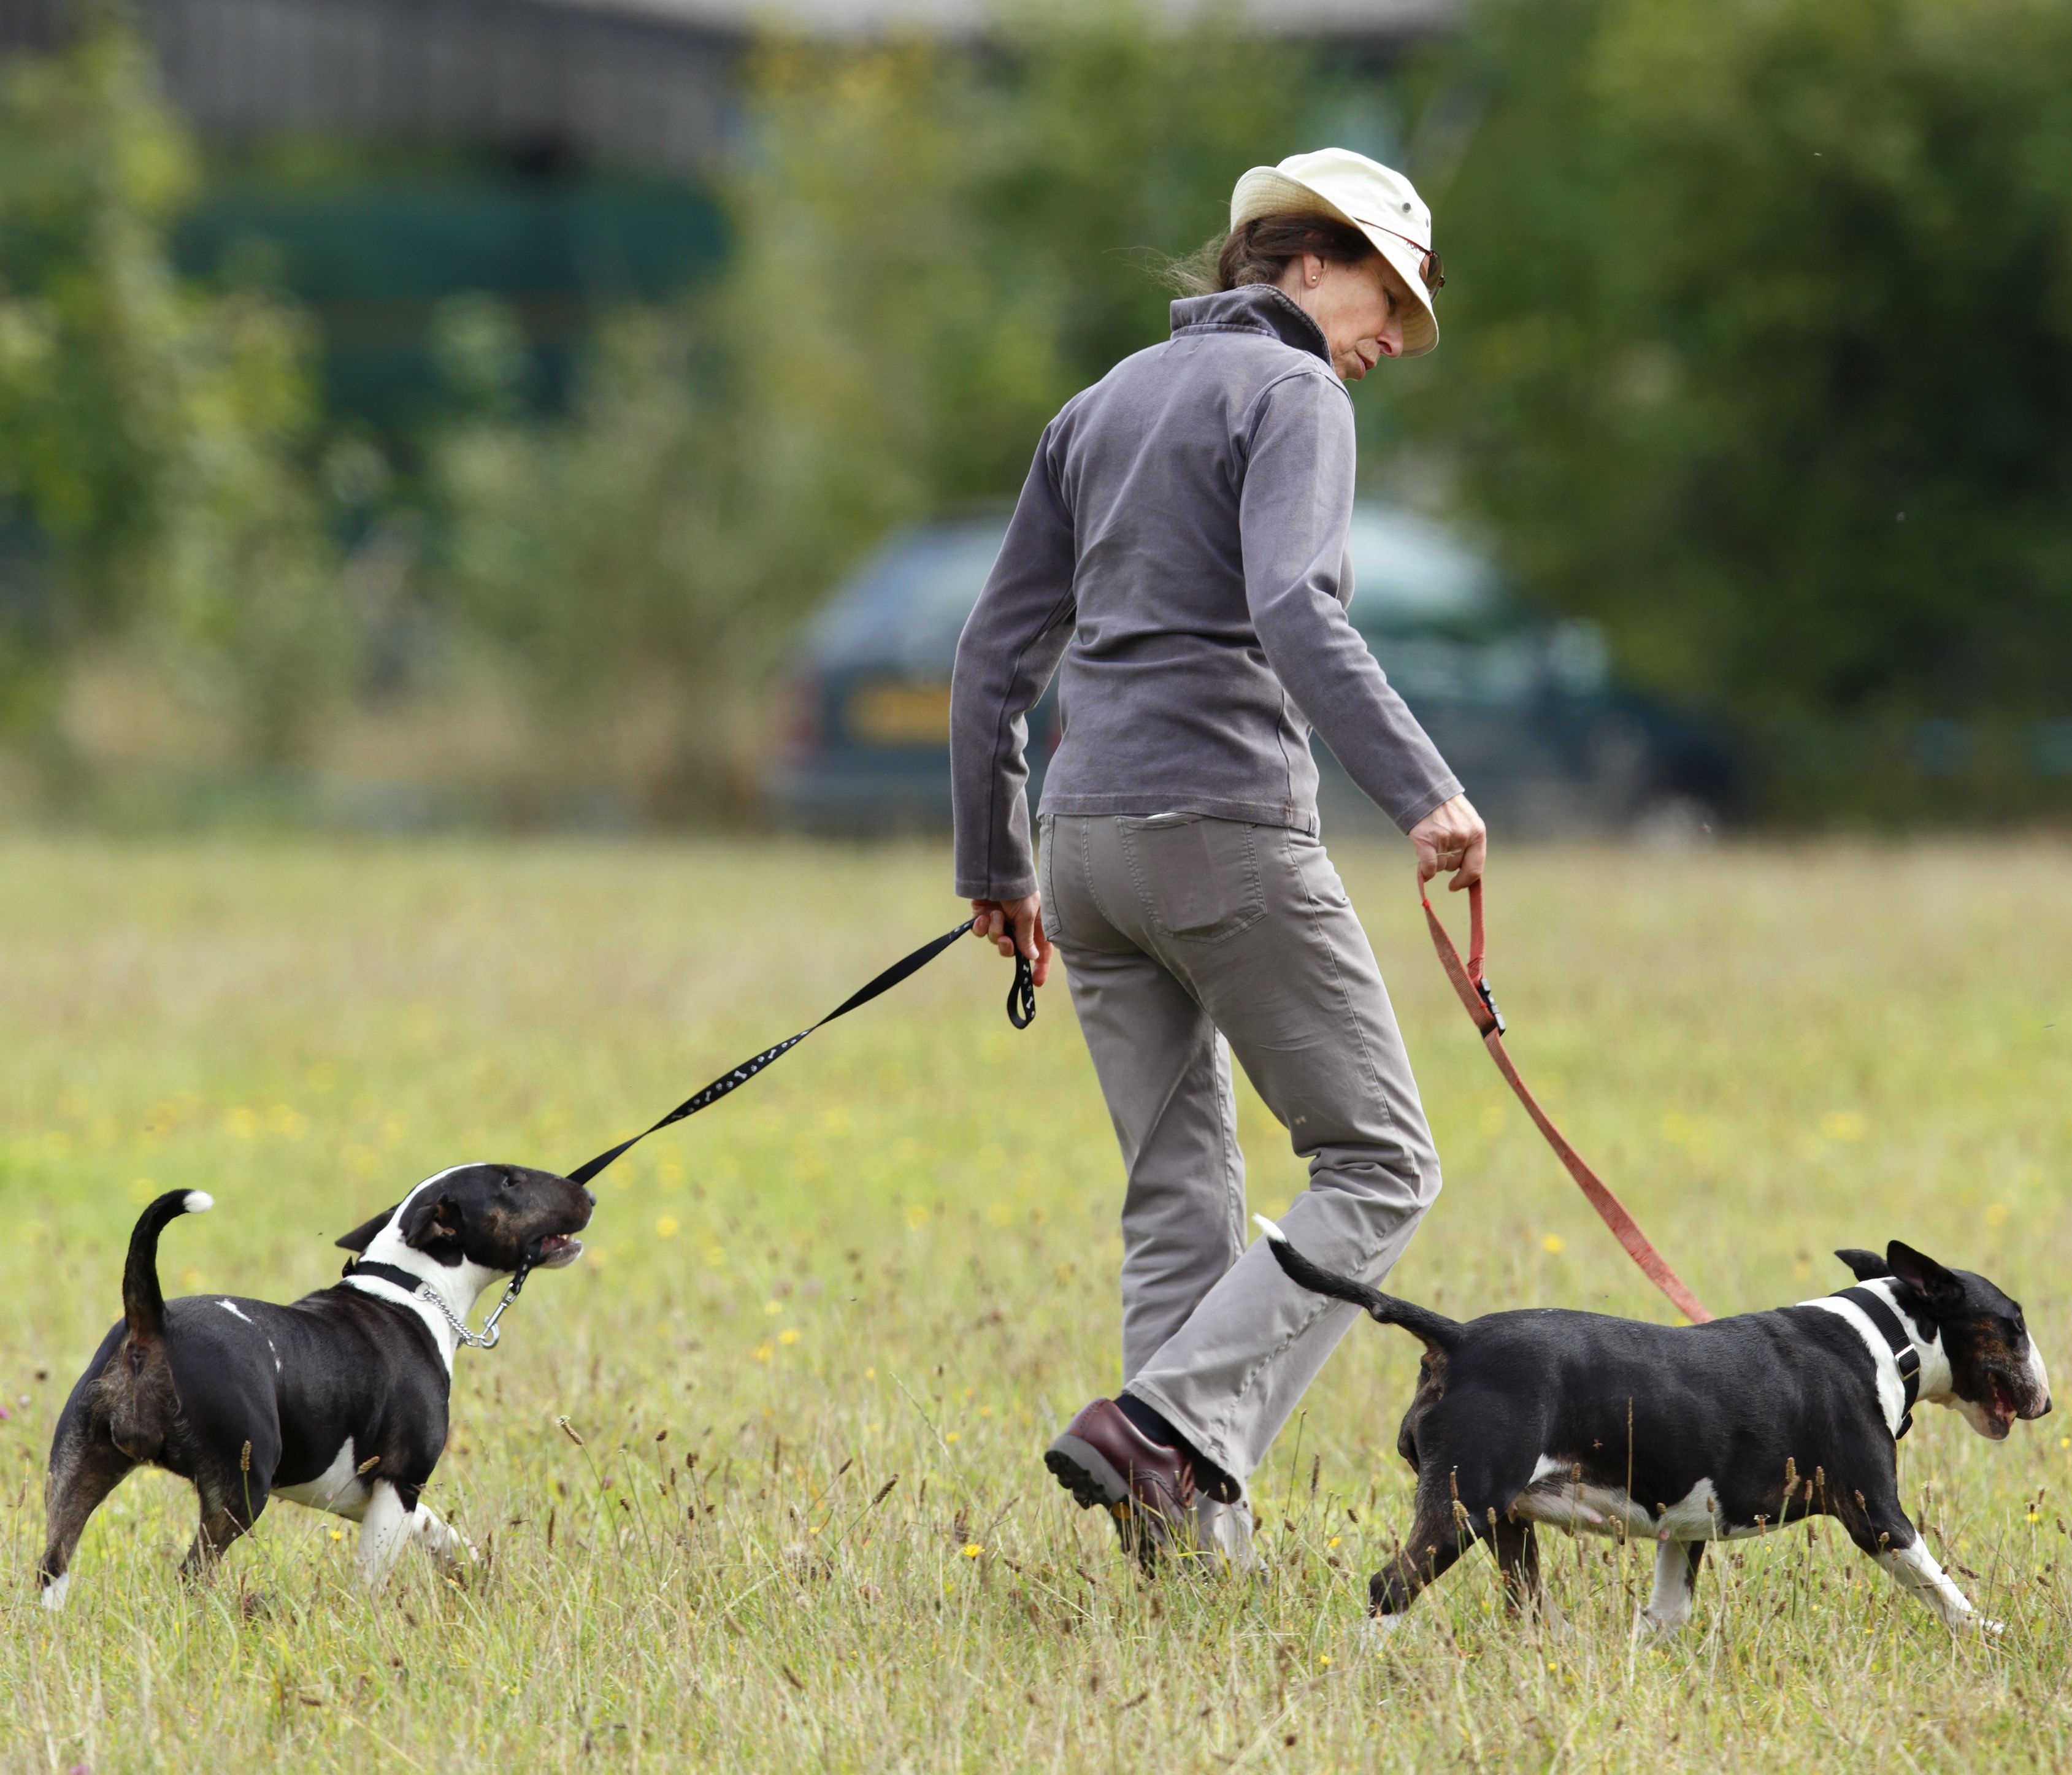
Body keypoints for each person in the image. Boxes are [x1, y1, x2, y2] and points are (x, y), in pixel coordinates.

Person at [948, 148, 1486, 1569]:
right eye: (1389, 294)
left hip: (1085, 849)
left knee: (1178, 1190)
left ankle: (1186, 1550)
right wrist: (1424, 789)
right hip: (1222, 832)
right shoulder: (1292, 388)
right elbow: (1296, 608)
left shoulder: (1099, 400)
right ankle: (1171, 1430)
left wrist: (997, 866)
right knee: (1382, 1159)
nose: (1389, 336)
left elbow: (995, 655)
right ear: (1307, 258)